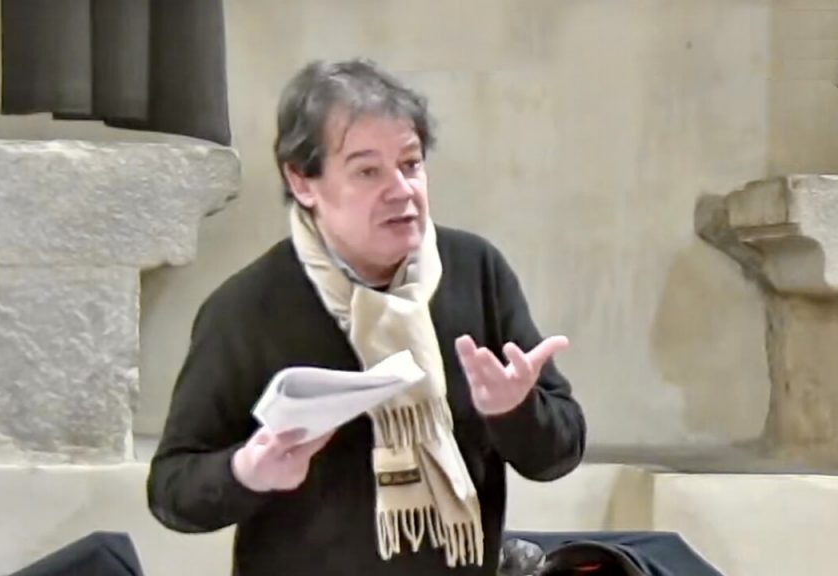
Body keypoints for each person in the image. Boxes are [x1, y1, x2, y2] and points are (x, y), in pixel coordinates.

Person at [146, 58, 587, 576]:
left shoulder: (476, 271)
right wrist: (246, 471)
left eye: (411, 163)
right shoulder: (248, 308)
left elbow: (558, 453)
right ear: (302, 181)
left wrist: (515, 411)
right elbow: (172, 490)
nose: (401, 189)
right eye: (367, 171)